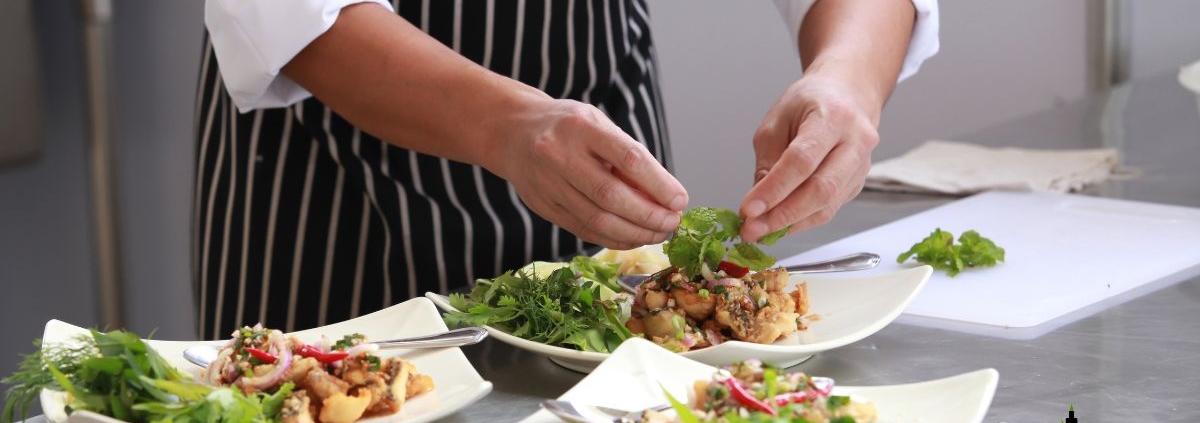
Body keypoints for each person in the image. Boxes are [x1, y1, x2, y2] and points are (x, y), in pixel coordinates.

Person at [194, 0, 938, 339]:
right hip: (344, 178)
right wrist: (506, 125)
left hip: (602, 105)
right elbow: (286, 13)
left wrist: (846, 79)